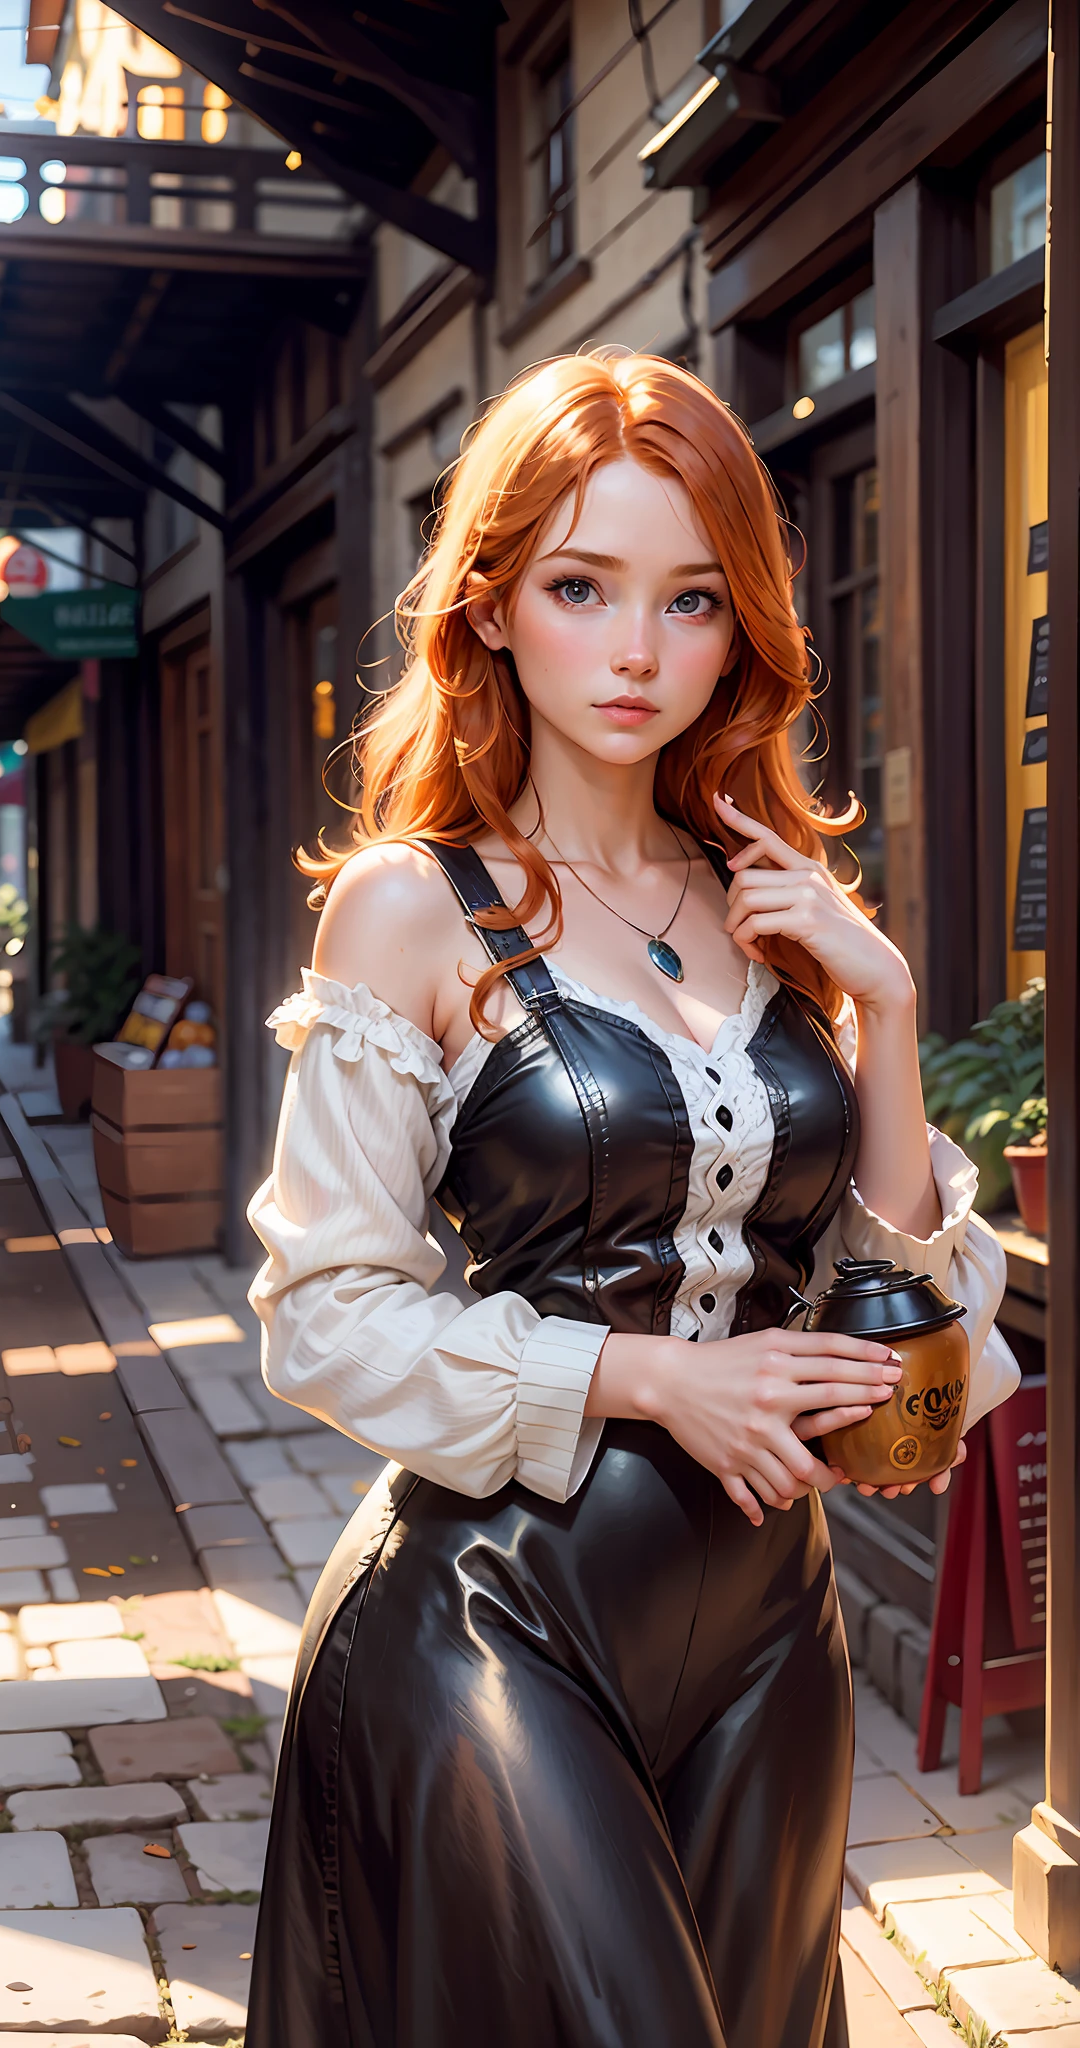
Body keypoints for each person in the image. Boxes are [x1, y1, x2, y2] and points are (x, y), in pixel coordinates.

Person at [243, 350, 1018, 2048]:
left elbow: (907, 1351)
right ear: (492, 601)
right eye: (581, 585)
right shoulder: (409, 911)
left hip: (764, 1621)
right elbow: (321, 1318)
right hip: (491, 1602)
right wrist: (653, 1374)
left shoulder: (773, 905)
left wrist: (880, 1008)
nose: (635, 649)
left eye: (687, 599)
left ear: (739, 627)